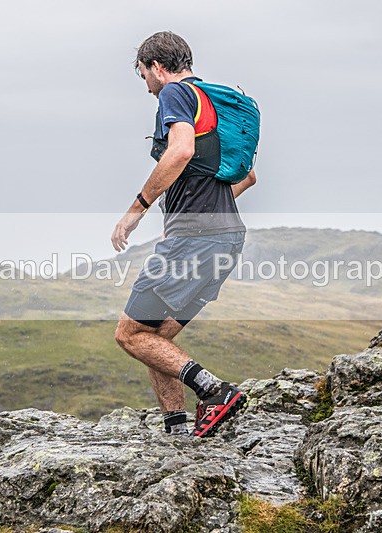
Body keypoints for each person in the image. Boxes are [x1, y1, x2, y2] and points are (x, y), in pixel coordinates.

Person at [112, 31, 257, 438]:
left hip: (196, 239)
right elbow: (247, 176)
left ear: (157, 67)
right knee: (155, 338)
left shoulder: (175, 94)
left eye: (144, 76)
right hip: (226, 237)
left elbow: (179, 152)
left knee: (129, 333)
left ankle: (214, 390)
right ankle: (176, 430)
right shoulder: (214, 101)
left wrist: (136, 210)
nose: (146, 86)